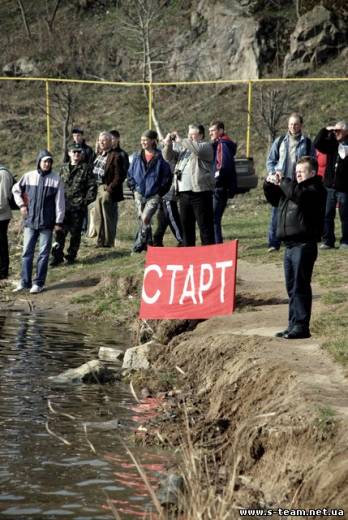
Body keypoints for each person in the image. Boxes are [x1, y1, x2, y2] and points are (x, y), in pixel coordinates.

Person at [263, 156, 326, 339]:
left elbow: (298, 195)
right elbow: (275, 199)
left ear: (312, 172)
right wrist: (270, 184)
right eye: (296, 171)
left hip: (304, 245)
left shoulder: (314, 189)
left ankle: (301, 326)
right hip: (289, 246)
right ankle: (292, 324)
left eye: (302, 171)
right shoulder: (294, 188)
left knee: (300, 286)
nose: (297, 173)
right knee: (291, 287)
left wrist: (283, 181)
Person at [12, 150, 65, 294]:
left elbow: (60, 202)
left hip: (47, 223)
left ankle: (39, 283)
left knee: (43, 254)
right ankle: (24, 282)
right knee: (26, 253)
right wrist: (22, 205)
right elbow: (15, 189)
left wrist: (59, 221)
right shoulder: (28, 176)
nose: (47, 164)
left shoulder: (56, 179)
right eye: (44, 161)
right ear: (39, 162)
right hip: (30, 221)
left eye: (49, 161)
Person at [266, 113, 315, 252]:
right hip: (281, 183)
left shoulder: (307, 142)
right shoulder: (280, 140)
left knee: (298, 213)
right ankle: (273, 243)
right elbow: (270, 161)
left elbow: (312, 162)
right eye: (290, 124)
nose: (293, 126)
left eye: (296, 124)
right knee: (277, 212)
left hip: (299, 184)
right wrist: (274, 173)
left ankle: (295, 238)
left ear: (301, 125)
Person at [163, 124, 215, 247]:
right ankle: (189, 254)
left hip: (200, 193)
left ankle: (208, 255)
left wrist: (181, 140)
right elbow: (167, 157)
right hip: (183, 194)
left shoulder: (205, 146)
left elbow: (195, 149)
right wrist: (168, 144)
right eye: (189, 135)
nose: (190, 137)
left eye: (193, 135)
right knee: (186, 226)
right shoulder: (184, 150)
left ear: (201, 135)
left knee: (205, 226)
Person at [50, 143, 97, 266]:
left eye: (79, 152)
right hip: (62, 207)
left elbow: (92, 188)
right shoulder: (63, 168)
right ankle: (57, 256)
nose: (76, 154)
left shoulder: (86, 169)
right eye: (74, 152)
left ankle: (71, 255)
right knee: (59, 233)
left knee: (75, 234)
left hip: (77, 208)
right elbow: (57, 185)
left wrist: (83, 202)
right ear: (69, 153)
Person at [127, 130, 172, 253]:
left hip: (154, 194)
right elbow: (130, 174)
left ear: (153, 141)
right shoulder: (136, 156)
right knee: (141, 219)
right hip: (139, 193)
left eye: (145, 140)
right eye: (142, 140)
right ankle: (148, 244)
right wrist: (133, 188)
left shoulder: (160, 157)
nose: (143, 142)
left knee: (145, 218)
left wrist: (160, 192)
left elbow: (167, 177)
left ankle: (138, 245)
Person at [314, 121, 348, 249]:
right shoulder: (331, 144)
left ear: (346, 132)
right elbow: (317, 143)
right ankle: (328, 240)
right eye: (335, 131)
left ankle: (346, 241)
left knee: (345, 216)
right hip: (329, 187)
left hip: (344, 188)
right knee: (327, 214)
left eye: (338, 131)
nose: (336, 133)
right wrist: (326, 130)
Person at [93, 131, 124, 248]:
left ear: (110, 142)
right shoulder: (99, 154)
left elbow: (119, 176)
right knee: (98, 216)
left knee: (108, 216)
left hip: (107, 187)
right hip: (98, 187)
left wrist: (109, 189)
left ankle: (108, 242)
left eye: (104, 140)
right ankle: (100, 241)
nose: (101, 142)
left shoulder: (116, 155)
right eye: (100, 140)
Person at [209, 120, 237, 243]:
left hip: (219, 187)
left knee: (214, 219)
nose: (211, 133)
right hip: (222, 187)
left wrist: (215, 181)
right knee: (215, 218)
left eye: (213, 131)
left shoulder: (222, 144)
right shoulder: (219, 143)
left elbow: (223, 166)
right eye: (209, 131)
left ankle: (217, 246)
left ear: (221, 131)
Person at [0, 164, 13, 279]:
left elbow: (3, 199)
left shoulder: (3, 173)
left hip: (2, 216)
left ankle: (3, 271)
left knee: (1, 244)